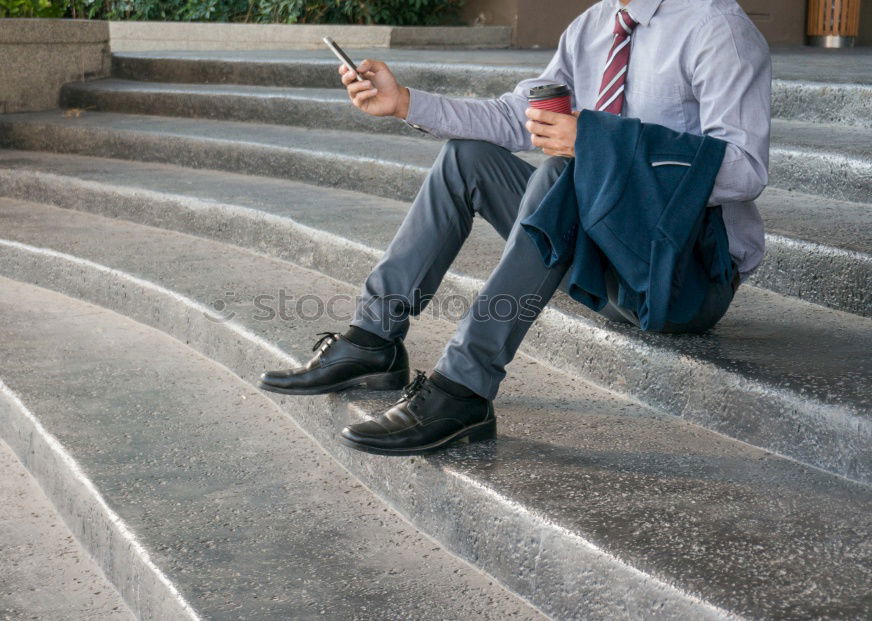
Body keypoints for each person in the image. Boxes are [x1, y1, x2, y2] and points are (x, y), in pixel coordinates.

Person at [259, 0, 771, 456]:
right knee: (468, 157)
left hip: (683, 278)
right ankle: (373, 340)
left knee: (559, 170)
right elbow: (515, 117)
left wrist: (594, 142)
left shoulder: (717, 28)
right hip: (603, 258)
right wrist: (405, 103)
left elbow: (745, 170)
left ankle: (463, 390)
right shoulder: (593, 27)